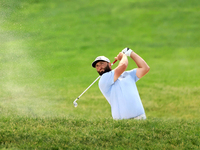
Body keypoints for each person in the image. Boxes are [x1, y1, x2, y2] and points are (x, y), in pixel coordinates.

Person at [92, 48, 150, 120]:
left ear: (110, 65)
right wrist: (123, 56)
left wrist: (131, 53)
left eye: (102, 63)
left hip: (141, 117)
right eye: (97, 66)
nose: (99, 67)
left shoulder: (128, 75)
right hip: (123, 121)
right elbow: (123, 65)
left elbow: (145, 68)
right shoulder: (104, 79)